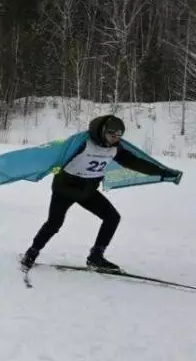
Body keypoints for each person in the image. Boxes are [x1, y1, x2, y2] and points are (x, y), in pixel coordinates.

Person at [13, 116, 181, 271]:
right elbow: (54, 155)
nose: (115, 139)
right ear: (103, 132)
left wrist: (163, 172)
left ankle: (96, 256)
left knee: (112, 217)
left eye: (118, 136)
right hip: (65, 189)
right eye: (112, 135)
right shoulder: (82, 143)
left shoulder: (116, 149)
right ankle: (31, 253)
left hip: (87, 191)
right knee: (54, 223)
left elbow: (136, 163)